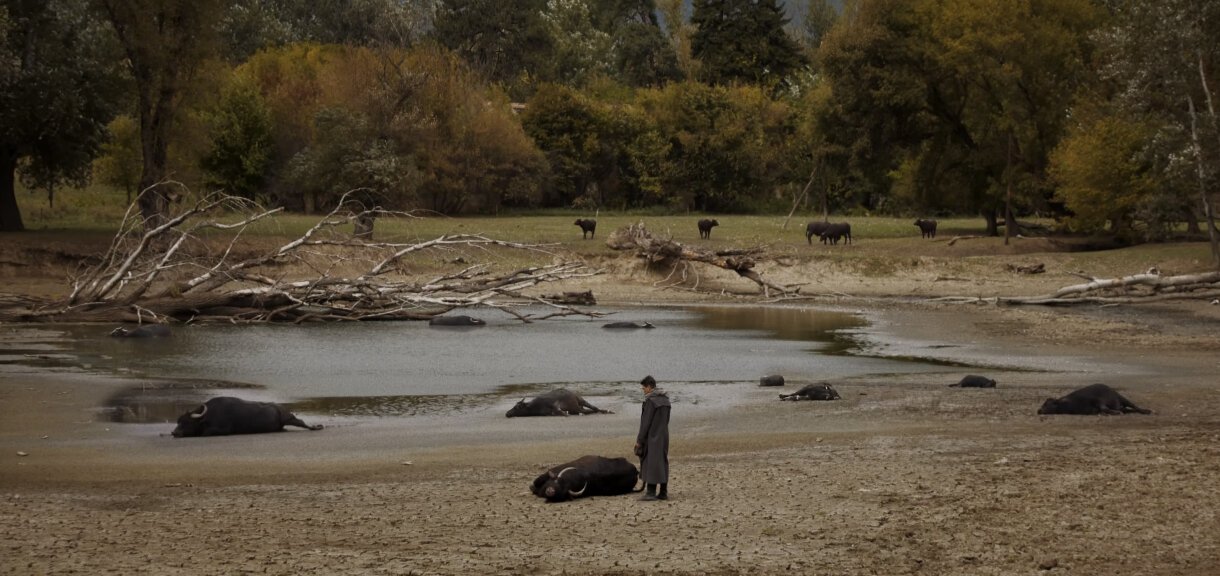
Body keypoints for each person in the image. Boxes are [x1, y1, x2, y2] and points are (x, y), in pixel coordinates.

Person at [634, 375, 671, 501]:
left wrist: (639, 440)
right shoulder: (666, 400)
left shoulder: (650, 401)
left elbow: (646, 423)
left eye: (644, 388)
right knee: (662, 461)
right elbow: (667, 420)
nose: (643, 390)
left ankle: (650, 492)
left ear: (649, 387)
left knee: (651, 462)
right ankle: (663, 492)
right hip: (664, 435)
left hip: (652, 436)